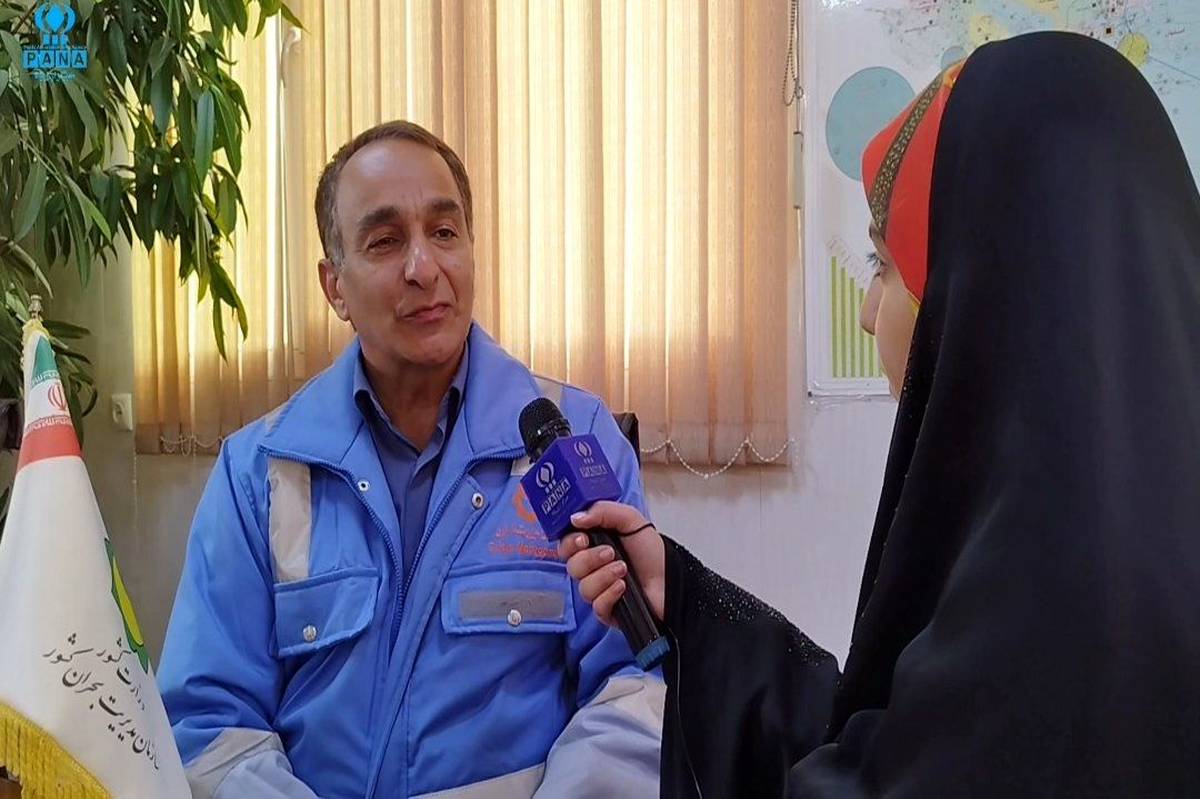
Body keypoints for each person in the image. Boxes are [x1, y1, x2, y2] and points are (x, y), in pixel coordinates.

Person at [561, 31, 1200, 797]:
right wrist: (691, 601)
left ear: (982, 293)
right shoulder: (1106, 539)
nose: (868, 313)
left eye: (883, 265)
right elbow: (896, 735)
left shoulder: (1060, 607)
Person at [158, 121, 664, 798]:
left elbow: (633, 684)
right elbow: (209, 718)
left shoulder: (572, 441)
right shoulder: (261, 471)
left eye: (445, 232)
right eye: (386, 241)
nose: (424, 268)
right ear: (334, 285)